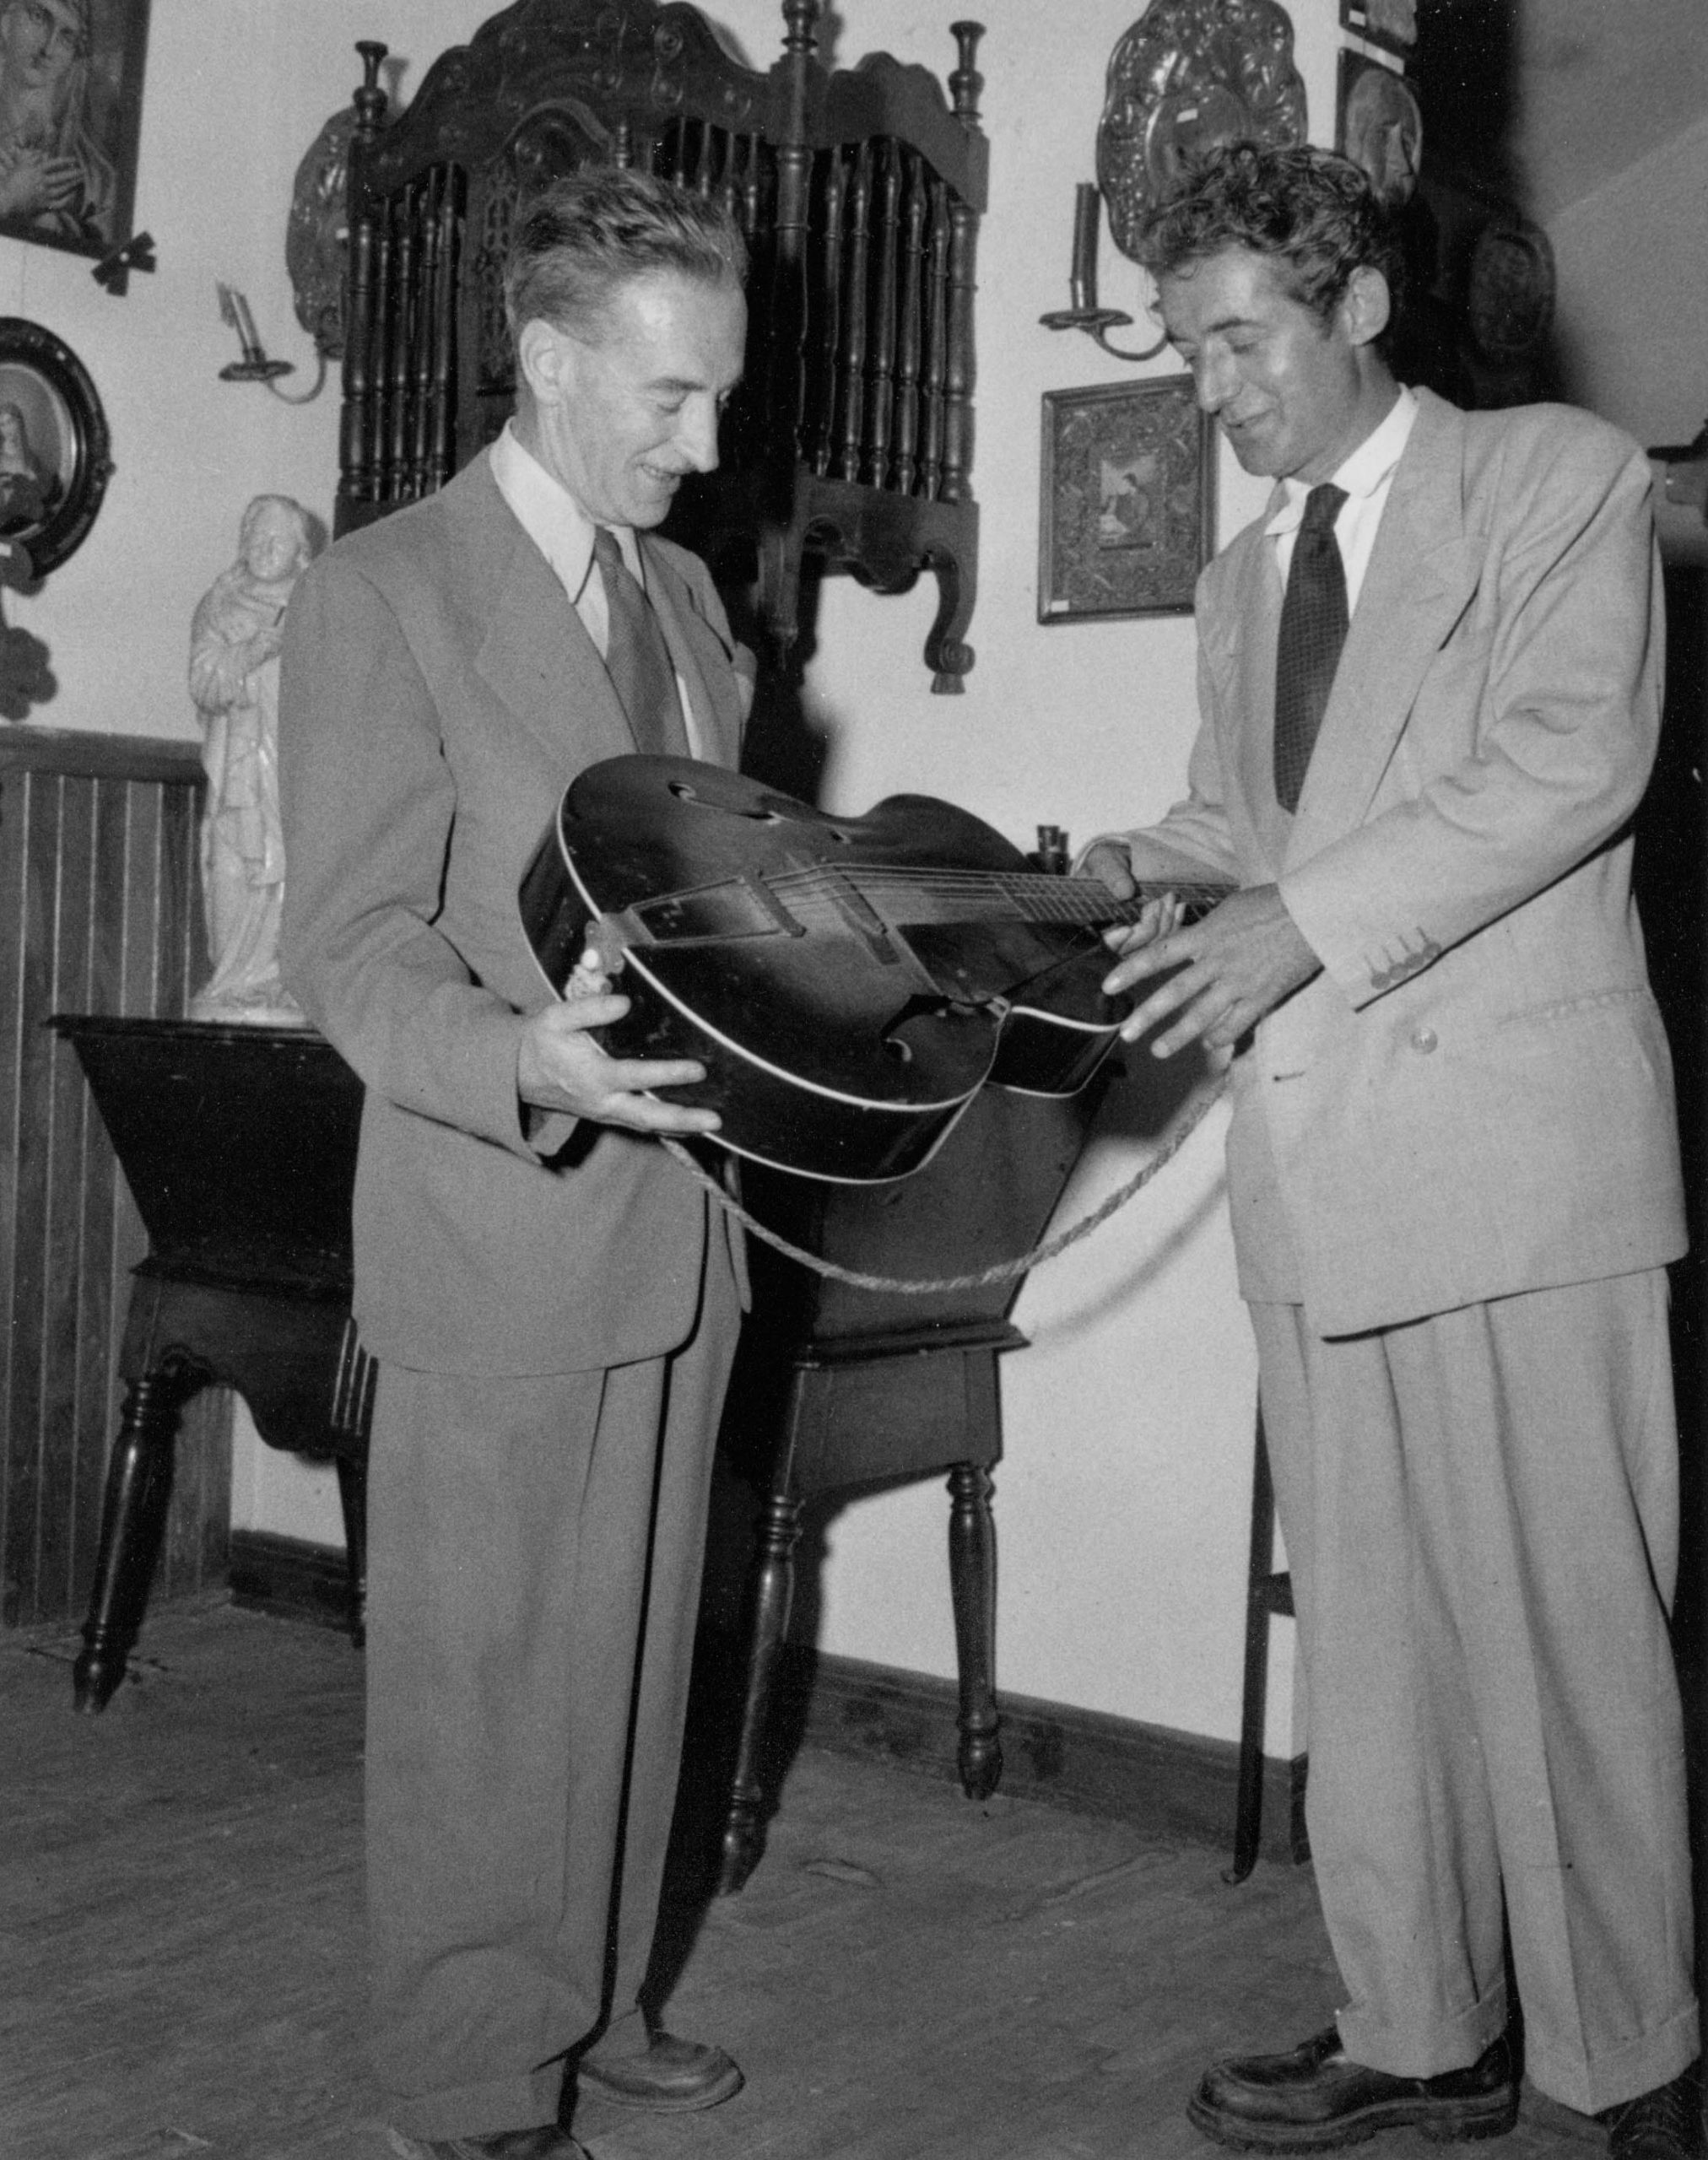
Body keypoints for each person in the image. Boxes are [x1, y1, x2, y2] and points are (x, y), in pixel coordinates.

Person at [1082, 143, 1702, 2159]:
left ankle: (1634, 2057)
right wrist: (1103, 871)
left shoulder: (1552, 480)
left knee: (1568, 1633)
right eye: (1182, 351)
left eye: (1236, 339)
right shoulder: (1240, 579)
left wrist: (1292, 920)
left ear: (1355, 305)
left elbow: (1566, 762)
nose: (1209, 390)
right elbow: (1234, 827)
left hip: (1516, 1160)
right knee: (1369, 1638)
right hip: (1318, 1161)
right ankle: (1420, 2025)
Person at [278, 167, 753, 2160]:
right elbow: (352, 937)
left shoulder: (689, 601)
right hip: (505, 1198)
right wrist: (519, 1059)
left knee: (632, 1647)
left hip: (687, 1210)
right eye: (669, 396)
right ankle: (472, 2066)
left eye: (719, 396)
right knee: (484, 1672)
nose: (704, 443)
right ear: (550, 362)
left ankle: (596, 1992)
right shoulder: (385, 590)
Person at [189, 494, 316, 1024]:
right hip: (238, 764)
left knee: (292, 866)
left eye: (277, 540)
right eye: (256, 538)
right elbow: (204, 681)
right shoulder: (220, 604)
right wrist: (257, 649)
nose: (264, 549)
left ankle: (281, 983)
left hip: (295, 765)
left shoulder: (317, 603)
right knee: (232, 865)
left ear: (299, 550)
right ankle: (232, 982)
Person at [0, 0, 114, 243]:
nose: (48, 48)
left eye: (66, 38)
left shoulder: (90, 169)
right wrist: (9, 198)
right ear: (6, 19)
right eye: (38, 17)